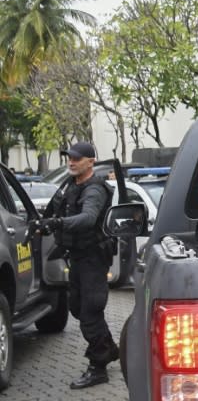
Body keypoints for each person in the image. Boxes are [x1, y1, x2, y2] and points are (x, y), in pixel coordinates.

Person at [29, 142, 119, 389]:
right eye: (69, 157)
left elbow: (88, 218)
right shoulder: (70, 184)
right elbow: (52, 209)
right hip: (77, 257)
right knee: (77, 308)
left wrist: (57, 223)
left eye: (77, 159)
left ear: (90, 162)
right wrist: (40, 222)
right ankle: (108, 347)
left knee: (90, 311)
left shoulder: (94, 190)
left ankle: (98, 367)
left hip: (93, 258)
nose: (71, 161)